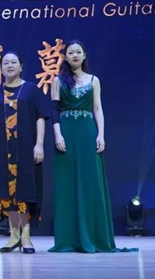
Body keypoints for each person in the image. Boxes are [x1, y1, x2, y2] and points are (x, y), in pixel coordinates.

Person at [48, 40, 135, 253]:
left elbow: (97, 109)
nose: (75, 55)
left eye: (78, 52)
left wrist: (100, 135)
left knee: (90, 182)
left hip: (87, 132)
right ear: (65, 57)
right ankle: (69, 239)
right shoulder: (58, 80)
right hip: (66, 132)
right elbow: (55, 110)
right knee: (67, 184)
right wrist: (58, 134)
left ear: (84, 55)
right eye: (71, 52)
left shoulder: (94, 80)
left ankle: (94, 236)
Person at [0, 52, 49, 254]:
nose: (10, 65)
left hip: (25, 149)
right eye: (5, 62)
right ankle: (13, 236)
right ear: (1, 67)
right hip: (2, 150)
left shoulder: (31, 90)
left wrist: (39, 144)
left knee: (25, 191)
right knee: (6, 192)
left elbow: (40, 117)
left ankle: (26, 237)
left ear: (21, 66)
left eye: (14, 62)